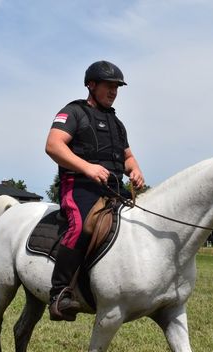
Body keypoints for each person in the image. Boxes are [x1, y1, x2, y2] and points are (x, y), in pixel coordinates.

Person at [45, 60, 145, 321]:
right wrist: (87, 168)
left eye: (117, 87)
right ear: (91, 84)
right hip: (78, 187)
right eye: (109, 86)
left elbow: (128, 156)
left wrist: (135, 169)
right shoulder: (73, 112)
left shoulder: (117, 124)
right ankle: (59, 295)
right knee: (81, 227)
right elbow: (53, 146)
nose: (114, 91)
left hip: (113, 190)